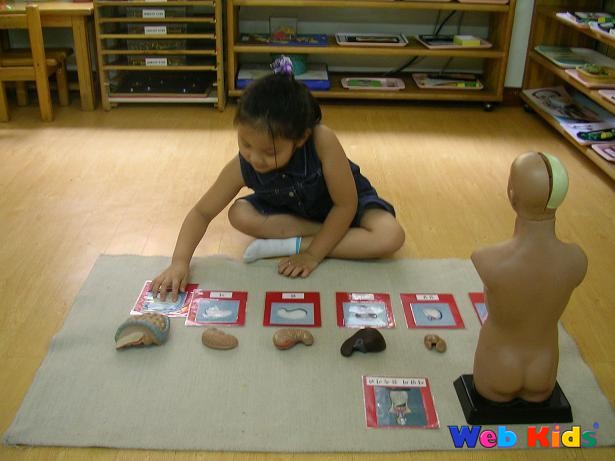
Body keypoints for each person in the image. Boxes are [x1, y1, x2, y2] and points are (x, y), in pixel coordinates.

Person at [151, 57, 405, 301]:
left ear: (301, 138)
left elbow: (345, 205)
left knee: (391, 236)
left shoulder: (322, 140)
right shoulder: (242, 165)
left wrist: (312, 254)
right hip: (295, 213)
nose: (255, 158)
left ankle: (293, 244)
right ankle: (341, 236)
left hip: (347, 204)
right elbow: (201, 212)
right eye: (245, 144)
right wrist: (179, 262)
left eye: (269, 152)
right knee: (239, 214)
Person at [471, 152, 587, 403]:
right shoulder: (577, 260)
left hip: (498, 364)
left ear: (512, 194)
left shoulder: (488, 260)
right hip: (544, 368)